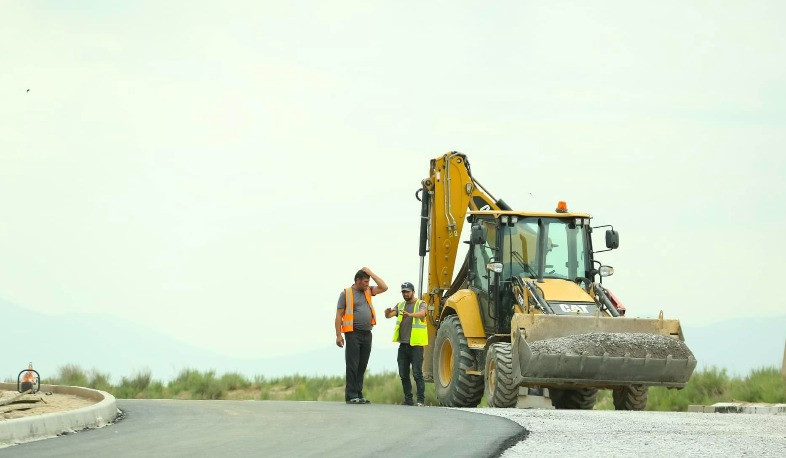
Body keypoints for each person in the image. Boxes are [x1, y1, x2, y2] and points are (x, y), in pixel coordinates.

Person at [335, 267, 388, 404]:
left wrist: (371, 273)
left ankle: (358, 393)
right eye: (365, 281)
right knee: (353, 364)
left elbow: (384, 287)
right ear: (357, 281)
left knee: (362, 365)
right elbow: (339, 315)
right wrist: (338, 335)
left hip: (367, 333)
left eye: (368, 281)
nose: (367, 284)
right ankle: (351, 395)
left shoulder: (368, 291)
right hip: (353, 333)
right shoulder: (346, 293)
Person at [384, 281, 428, 406]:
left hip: (416, 346)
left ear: (413, 292)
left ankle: (420, 400)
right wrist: (387, 313)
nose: (405, 294)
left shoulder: (421, 303)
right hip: (403, 345)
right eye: (403, 292)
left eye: (407, 291)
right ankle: (408, 399)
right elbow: (390, 315)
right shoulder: (401, 305)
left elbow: (423, 314)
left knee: (417, 374)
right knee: (403, 374)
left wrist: (410, 315)